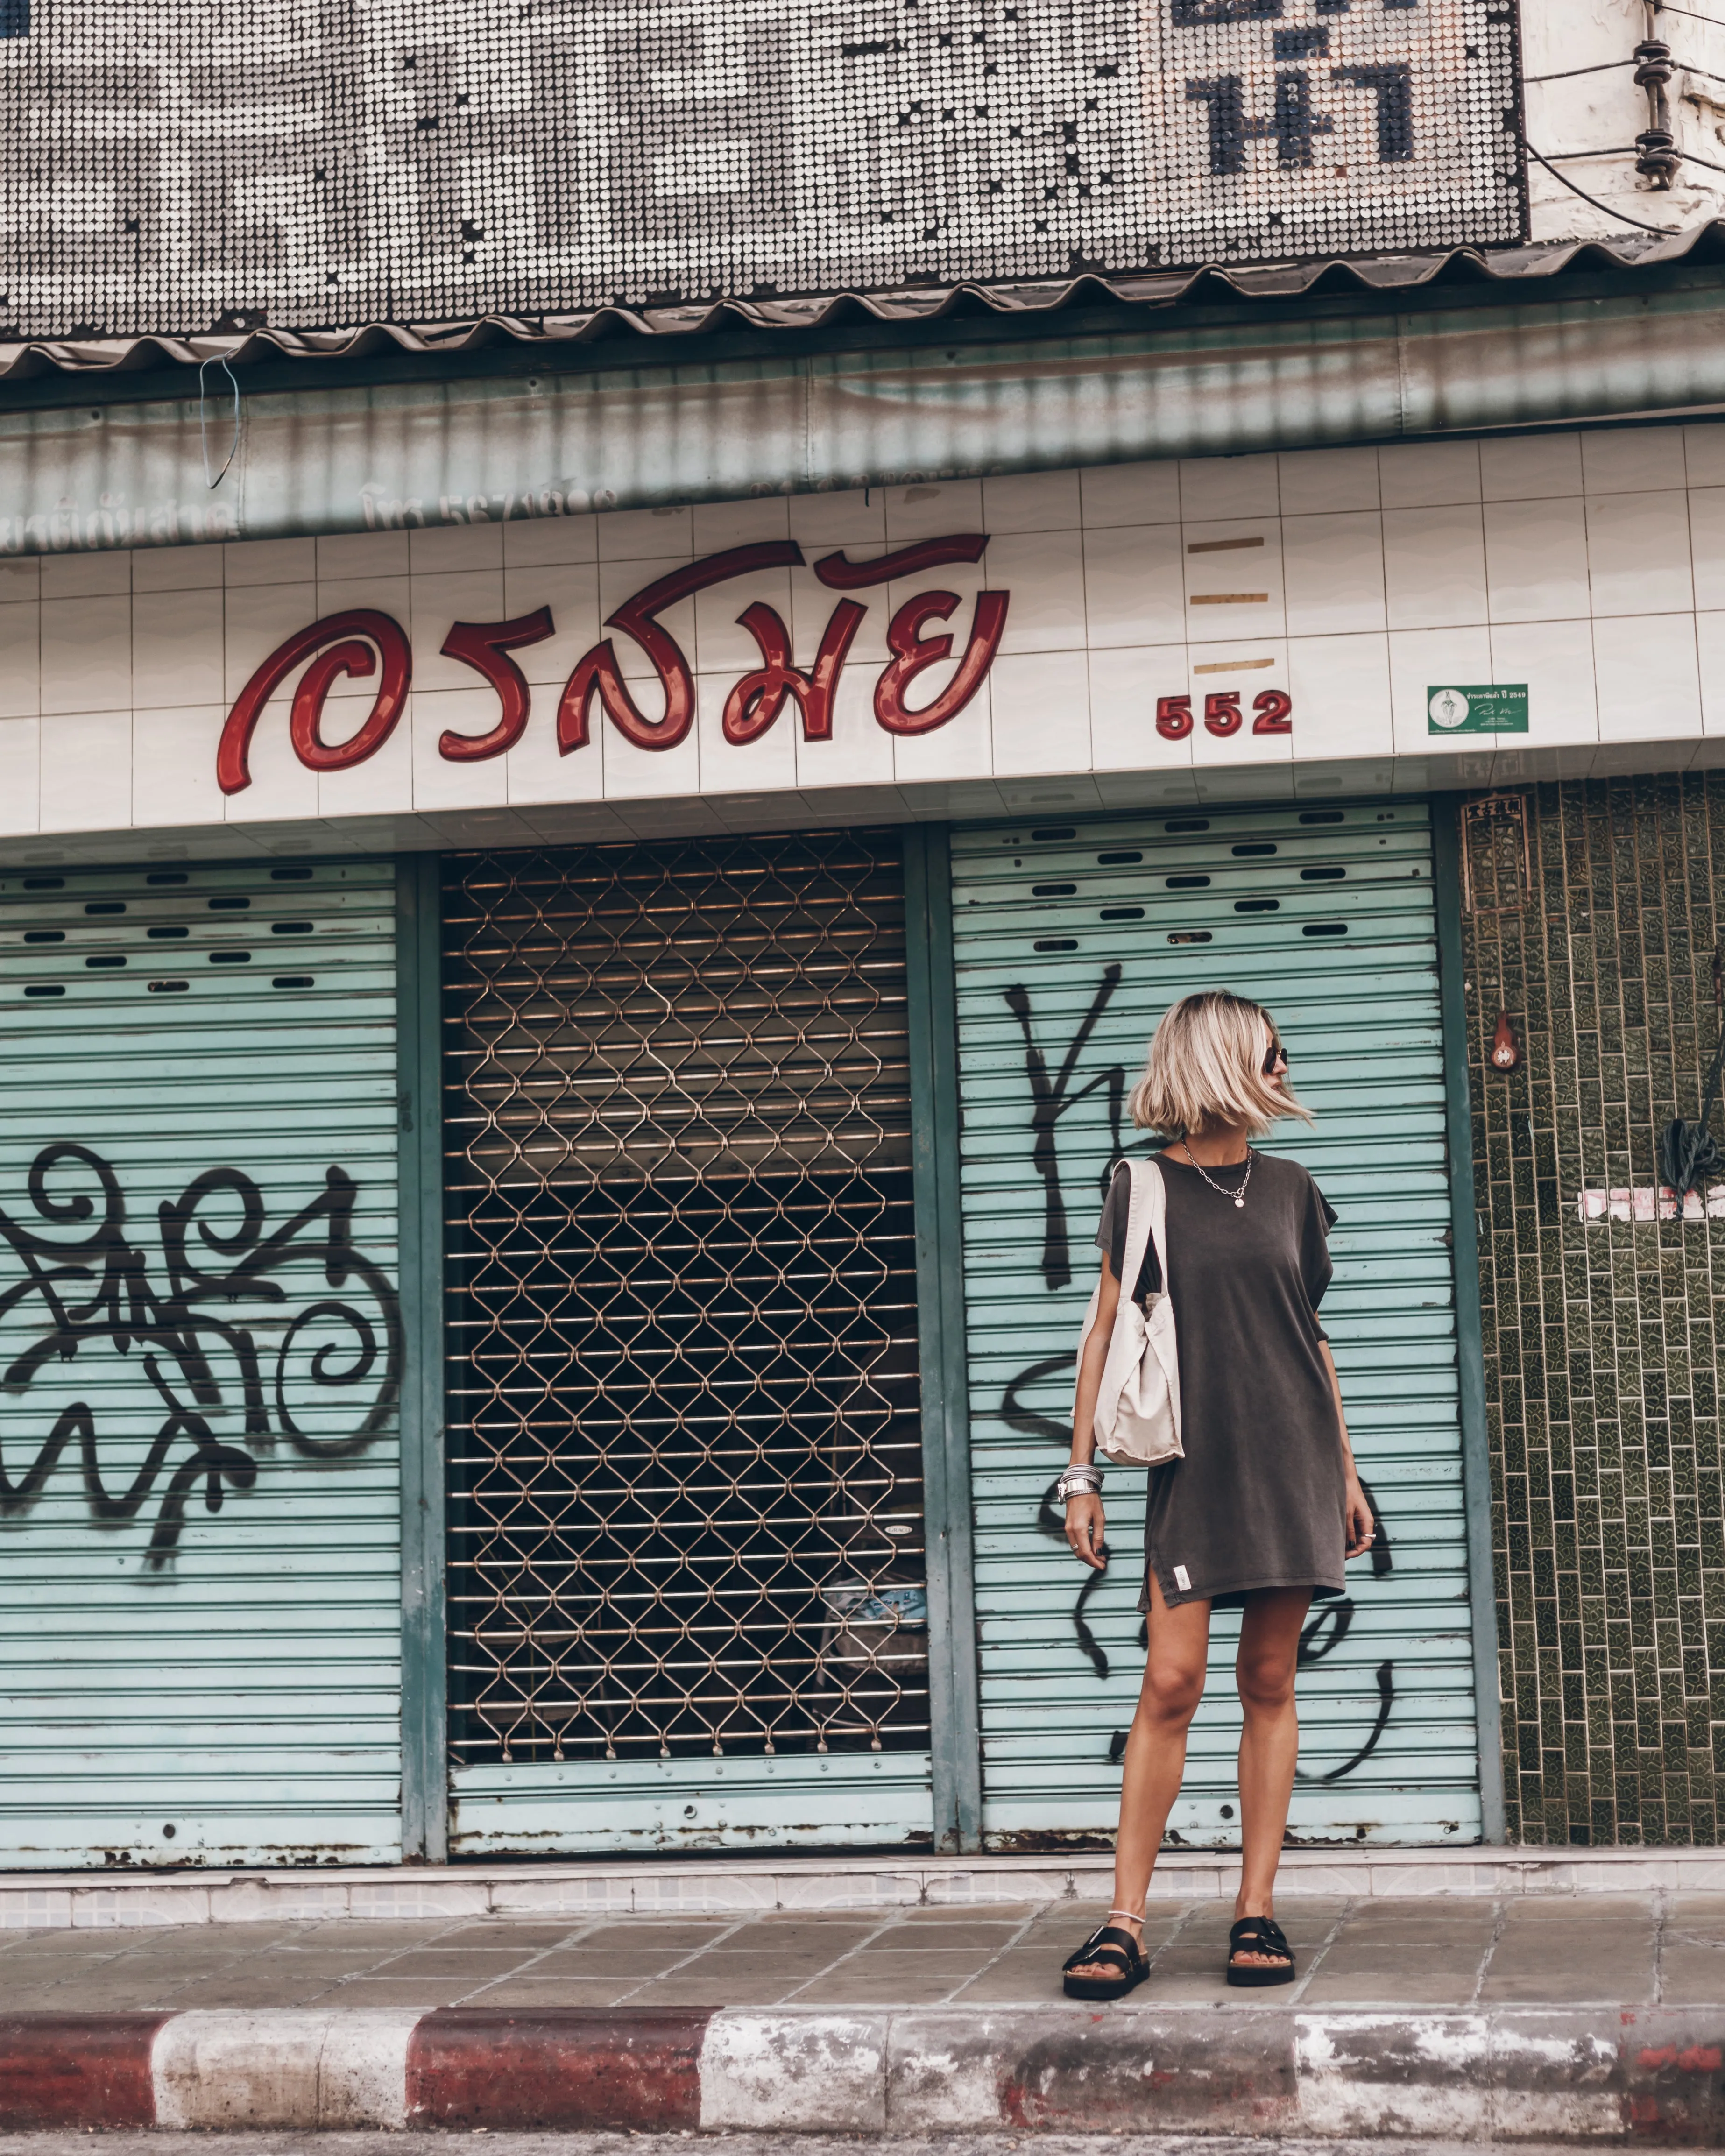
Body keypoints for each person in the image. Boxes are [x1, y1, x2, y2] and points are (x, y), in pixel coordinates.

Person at [1056, 989, 1373, 1997]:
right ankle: (1122, 1923)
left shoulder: (1289, 1188)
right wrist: (1079, 1475)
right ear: (1229, 1061)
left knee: (1270, 1681)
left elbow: (1308, 1334)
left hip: (1293, 1456)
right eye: (1273, 1051)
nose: (1286, 1067)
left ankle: (1254, 1912)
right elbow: (1101, 1333)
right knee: (1170, 1682)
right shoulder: (1138, 1185)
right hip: (1191, 1463)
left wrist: (1349, 1470)